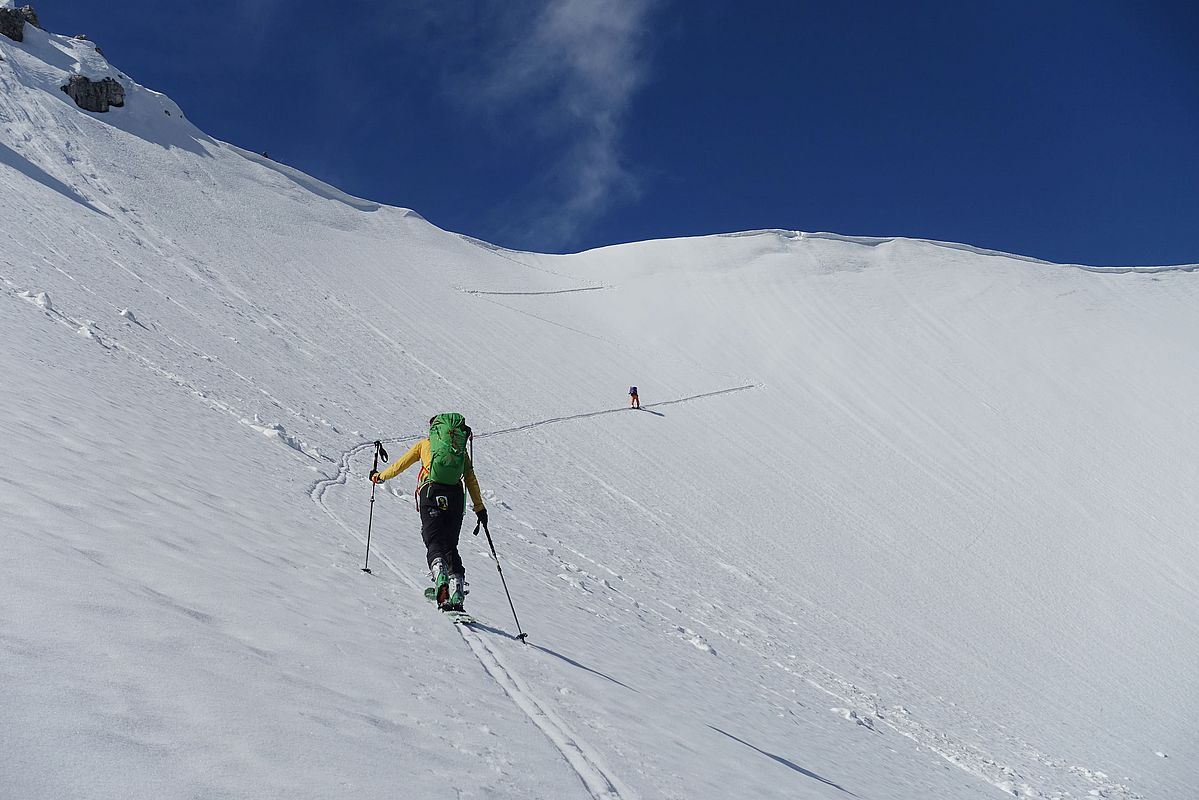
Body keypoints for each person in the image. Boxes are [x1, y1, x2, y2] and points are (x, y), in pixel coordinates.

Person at [371, 413, 486, 611]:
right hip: (456, 497)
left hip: (432, 492)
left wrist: (379, 476)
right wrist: (480, 508)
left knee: (434, 541)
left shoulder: (425, 445)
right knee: (450, 545)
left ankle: (440, 576)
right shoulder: (459, 452)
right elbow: (470, 478)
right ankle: (457, 587)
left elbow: (400, 465)